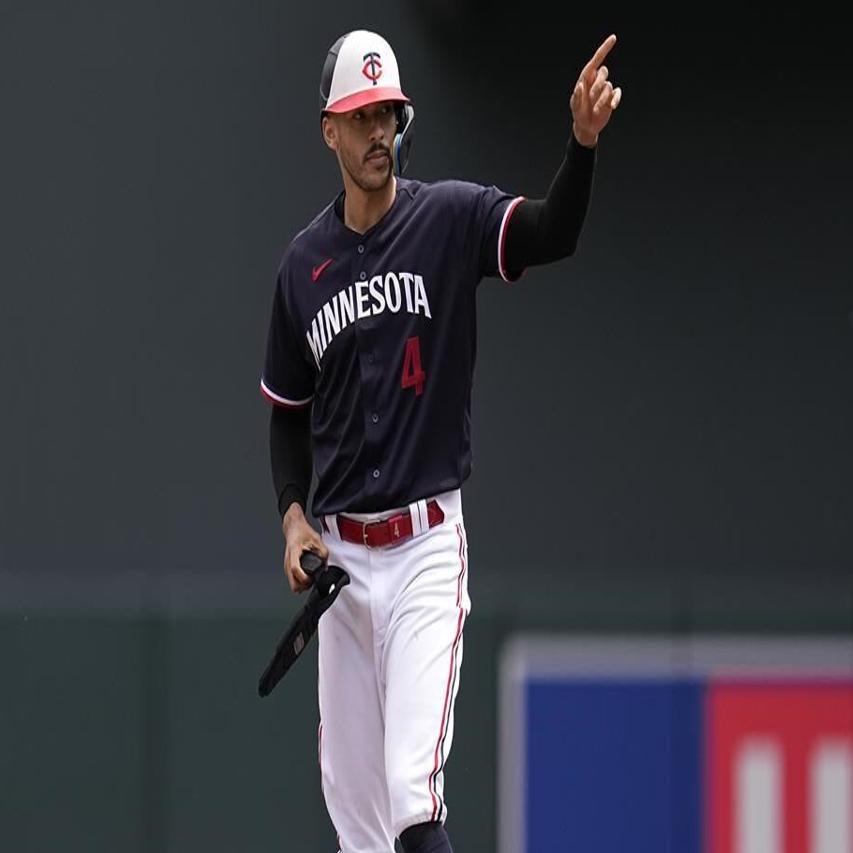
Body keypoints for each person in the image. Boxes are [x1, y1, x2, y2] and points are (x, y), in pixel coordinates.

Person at [259, 28, 621, 853]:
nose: (379, 130)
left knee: (410, 797)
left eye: (388, 112)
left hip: (423, 549)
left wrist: (582, 145)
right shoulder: (302, 267)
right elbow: (286, 409)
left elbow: (549, 231)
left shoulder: (447, 218)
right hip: (342, 570)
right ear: (330, 129)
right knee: (357, 826)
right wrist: (291, 517)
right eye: (361, 116)